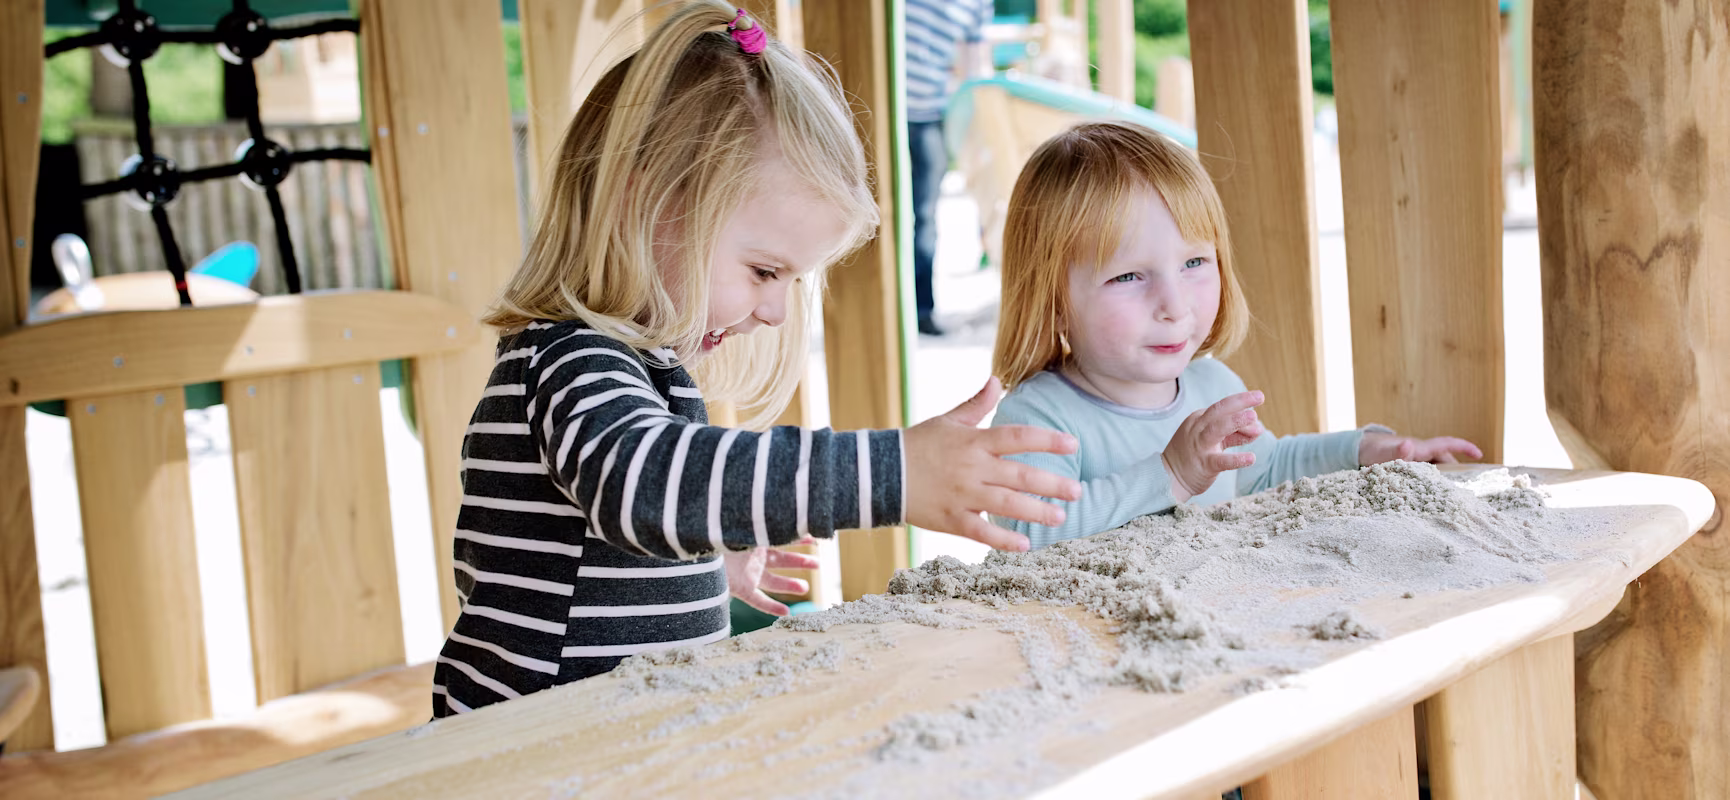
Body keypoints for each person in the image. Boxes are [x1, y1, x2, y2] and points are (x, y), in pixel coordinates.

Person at [432, 1, 1082, 718]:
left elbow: (636, 522)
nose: (774, 311)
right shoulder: (567, 357)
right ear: (646, 203)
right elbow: (641, 484)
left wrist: (708, 559)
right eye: (765, 270)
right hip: (520, 749)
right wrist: (897, 472)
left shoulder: (642, 369)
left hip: (613, 736)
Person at [988, 121, 1481, 549]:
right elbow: (1028, 540)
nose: (1175, 305)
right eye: (1128, 277)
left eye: (1194, 263)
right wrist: (1172, 475)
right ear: (1051, 298)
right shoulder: (1037, 419)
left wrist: (1366, 452)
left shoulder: (1211, 386)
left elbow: (1262, 470)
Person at [904, 0, 994, 336]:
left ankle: (921, 311)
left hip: (929, 116)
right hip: (880, 109)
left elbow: (975, 65)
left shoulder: (978, 5)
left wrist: (979, 128)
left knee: (924, 214)